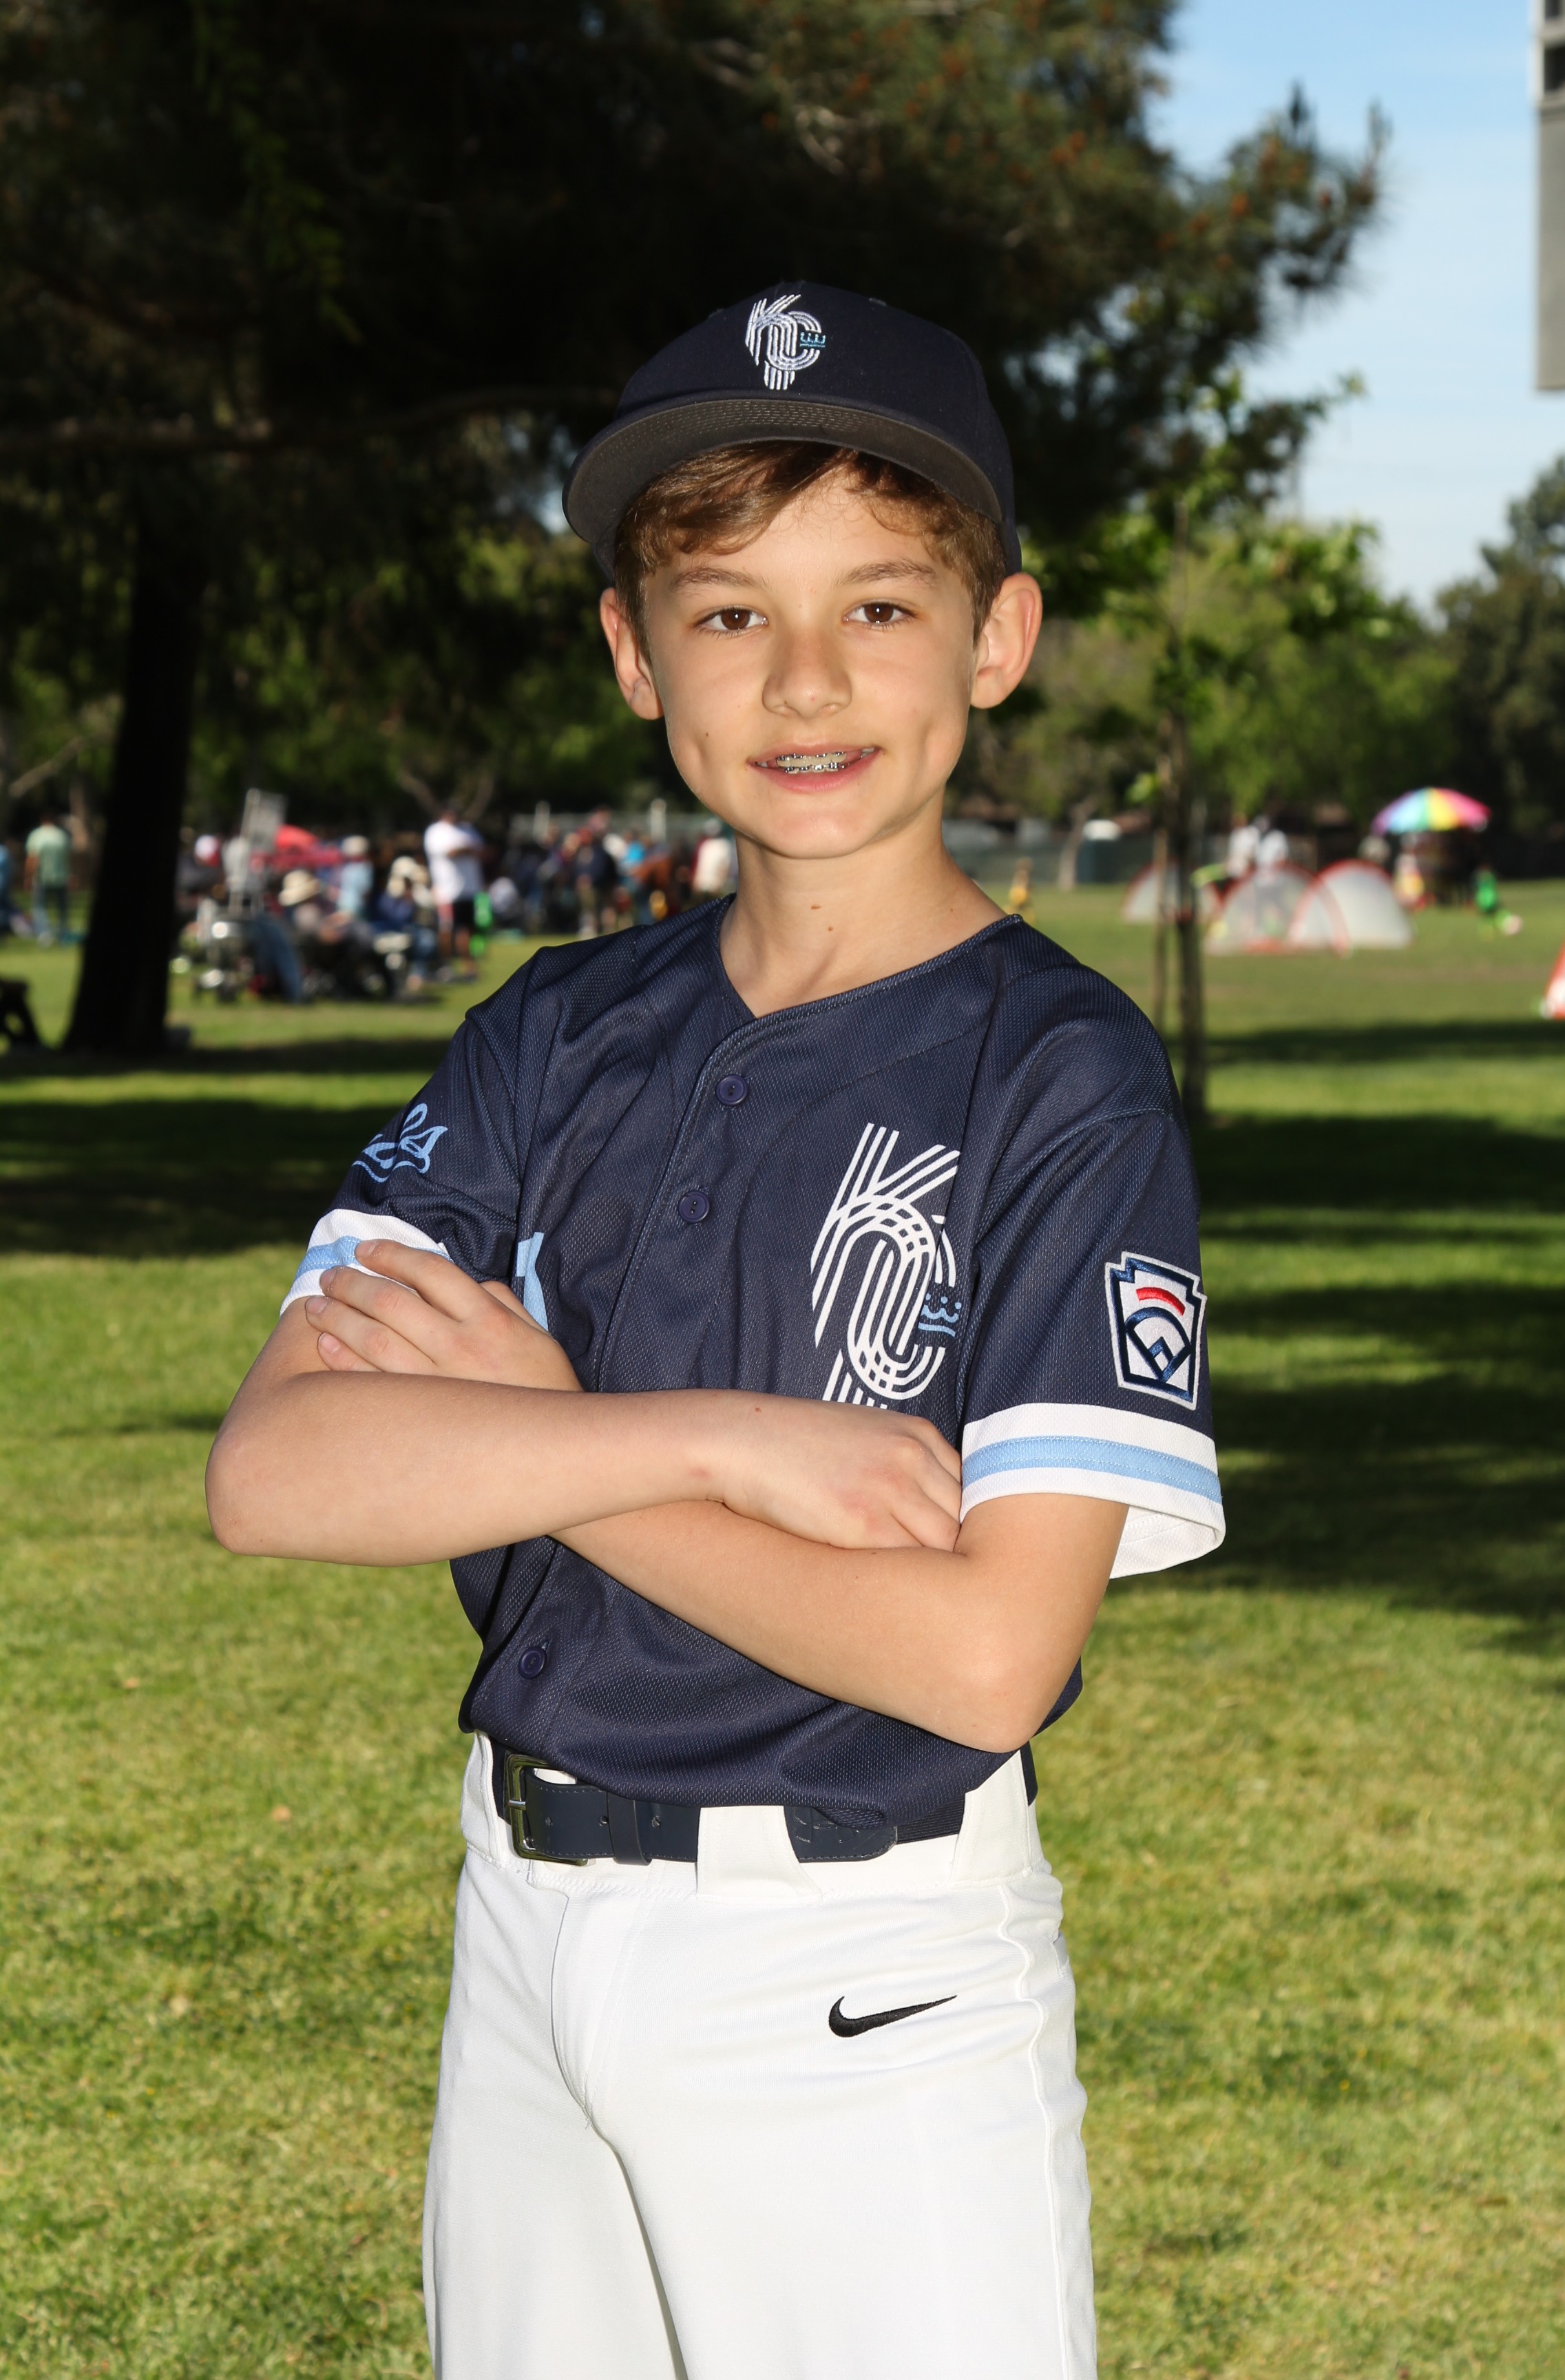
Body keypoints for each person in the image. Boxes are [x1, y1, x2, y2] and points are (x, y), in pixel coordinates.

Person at [207, 283, 1223, 2380]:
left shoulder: (1058, 1074)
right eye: (730, 612)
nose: (807, 678)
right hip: (526, 1919)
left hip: (860, 1968)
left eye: (881, 605)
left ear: (1000, 639)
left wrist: (545, 1436)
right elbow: (279, 1472)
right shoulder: (555, 1031)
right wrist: (703, 1437)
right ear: (633, 654)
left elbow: (984, 1653)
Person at [423, 806, 485, 973]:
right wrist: (466, 849)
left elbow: (480, 849)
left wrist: (464, 849)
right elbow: (450, 852)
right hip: (447, 891)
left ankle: (469, 966)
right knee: (446, 929)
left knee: (468, 928)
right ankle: (446, 965)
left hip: (469, 889)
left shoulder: (467, 829)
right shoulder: (436, 832)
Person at [24, 808, 73, 943]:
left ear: (42, 821)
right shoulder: (62, 836)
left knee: (40, 907)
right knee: (62, 907)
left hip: (42, 877)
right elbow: (69, 858)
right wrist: (71, 875)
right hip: (61, 876)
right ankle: (63, 932)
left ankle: (45, 935)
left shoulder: (37, 835)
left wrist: (28, 877)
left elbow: (33, 858)